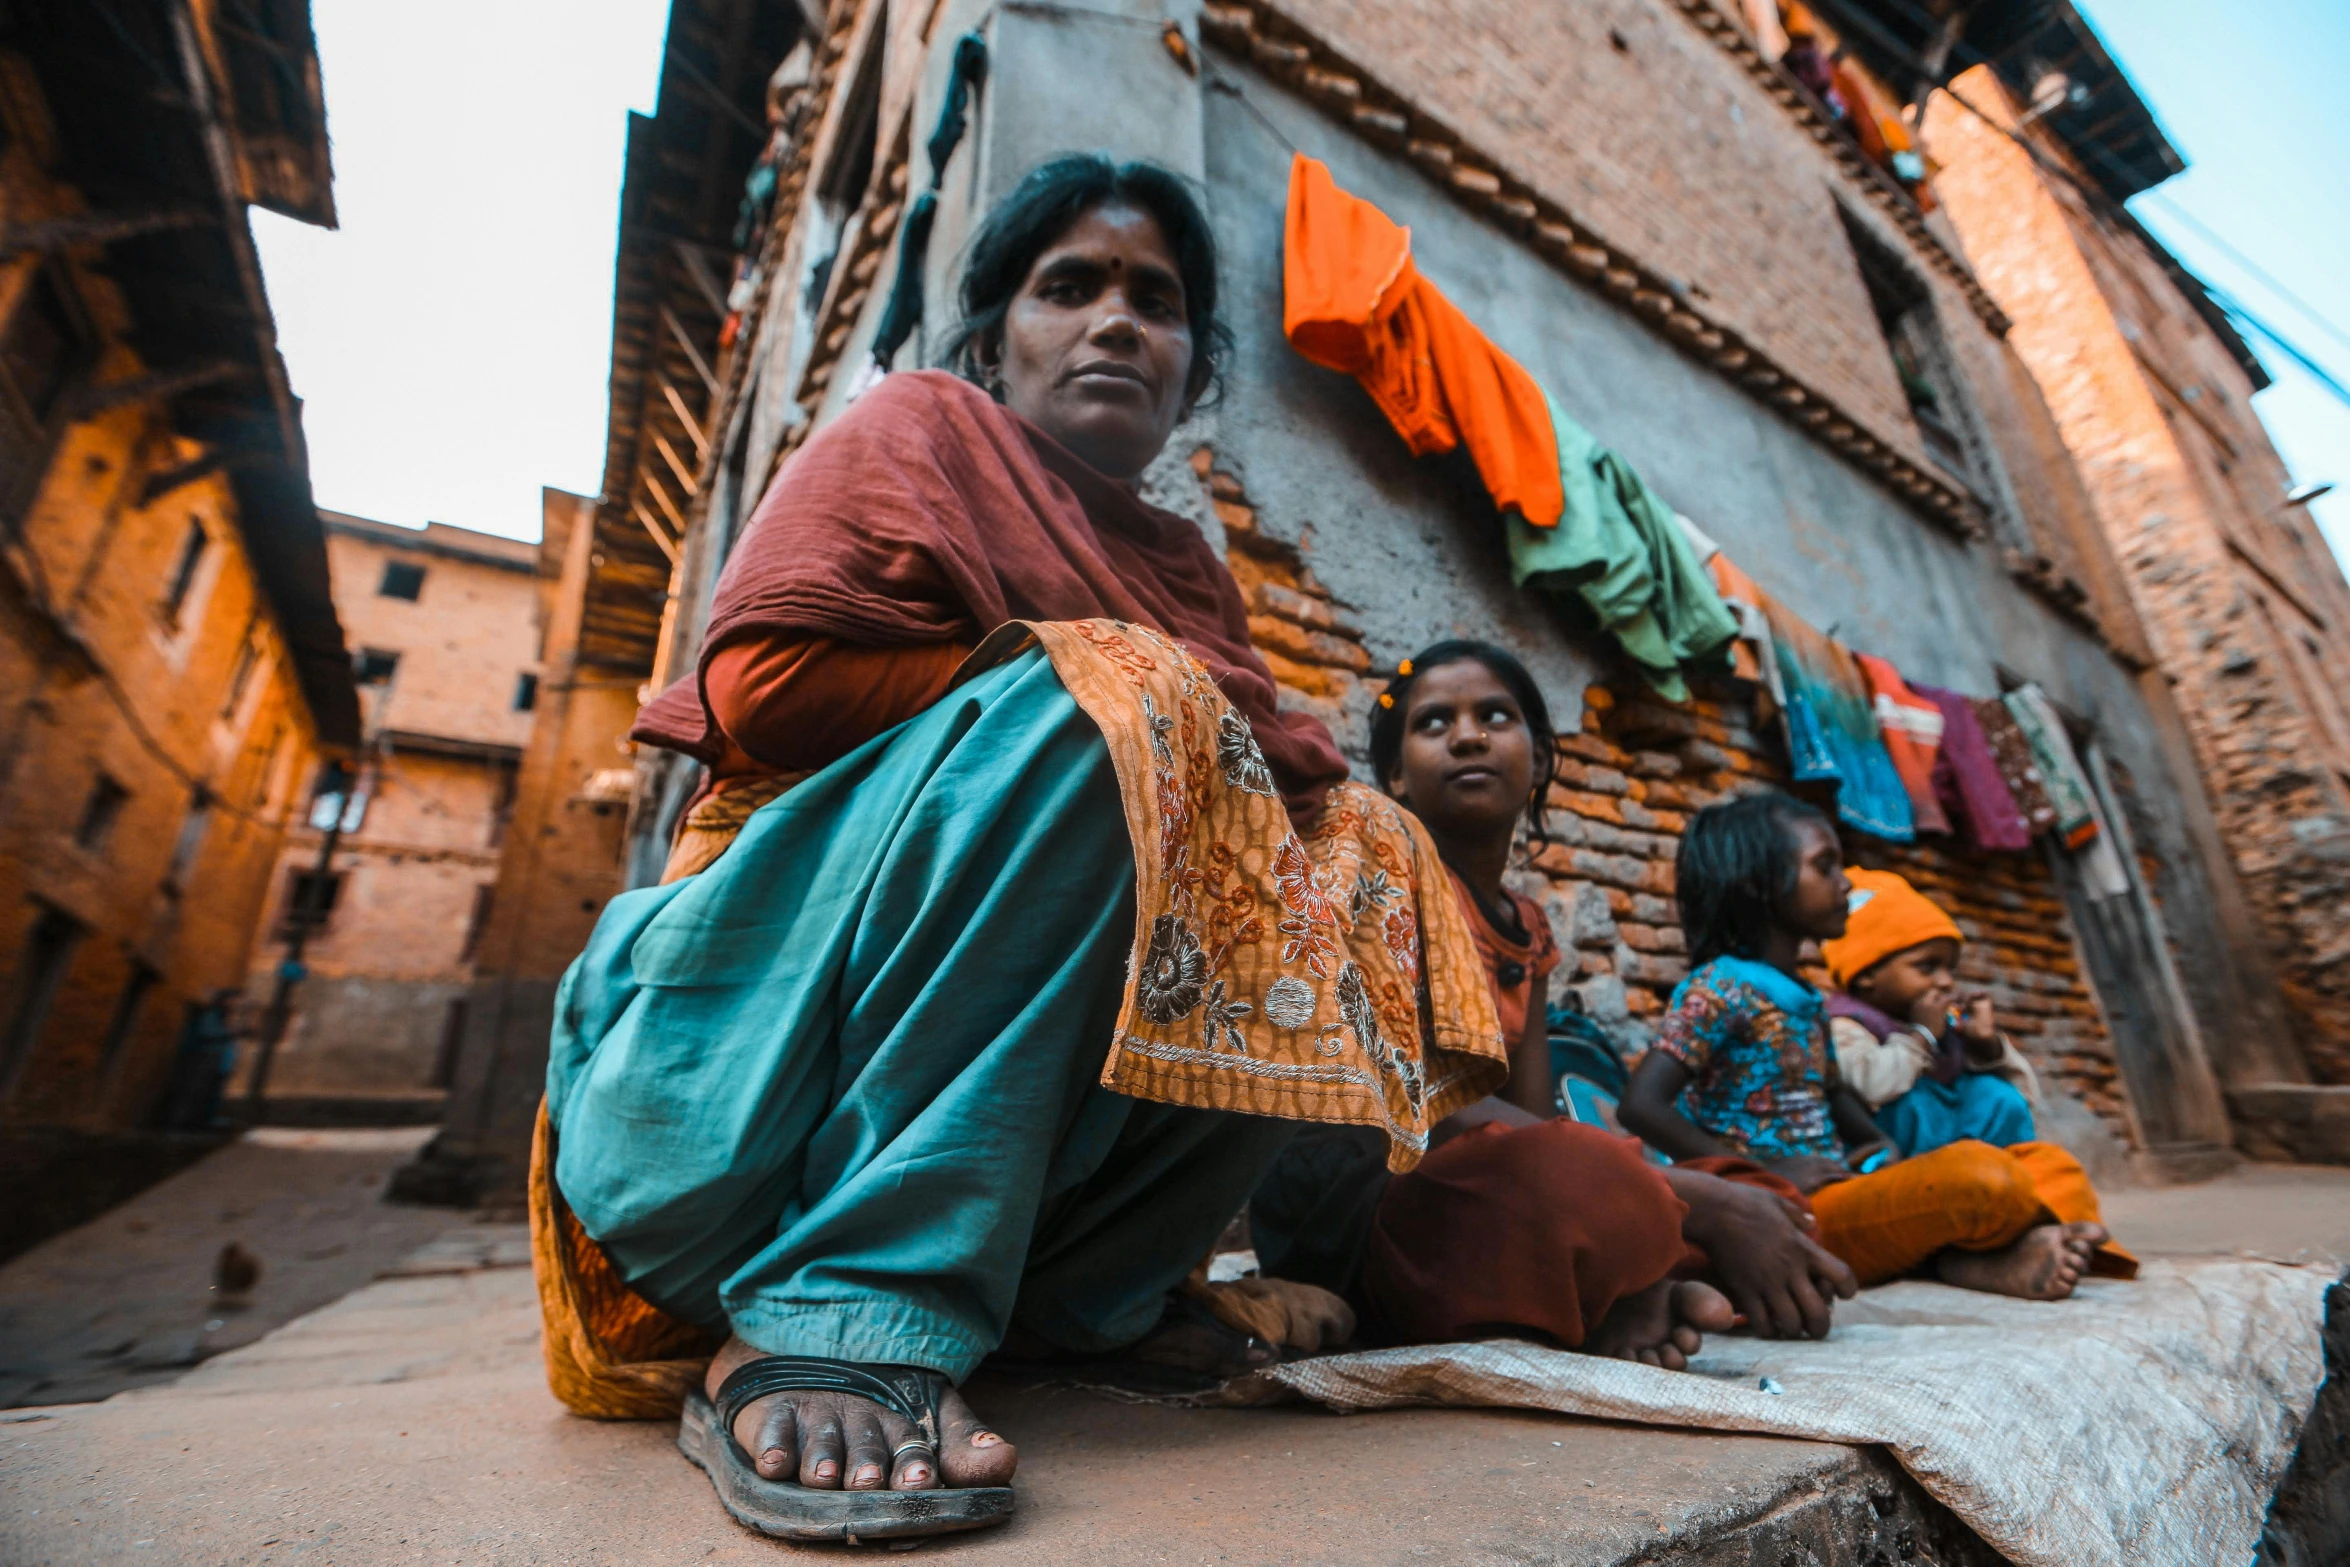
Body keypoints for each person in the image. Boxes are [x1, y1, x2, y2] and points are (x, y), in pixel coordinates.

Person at [537, 155, 1517, 1545]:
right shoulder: (921, 426)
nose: (1119, 320)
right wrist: (1113, 699)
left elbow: (1273, 781)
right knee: (1120, 701)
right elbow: (764, 683)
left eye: (1157, 302)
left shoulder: (1183, 570)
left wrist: (1194, 729)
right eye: (1071, 286)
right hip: (733, 1107)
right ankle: (832, 1308)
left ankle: (1090, 1294)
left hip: (1029, 1222)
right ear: (996, 340)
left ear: (1189, 368)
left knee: (1356, 841)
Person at [1253, 644, 1859, 1369]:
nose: (1468, 735)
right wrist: (1685, 1196)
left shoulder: (1528, 927)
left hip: (1489, 1186)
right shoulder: (1381, 879)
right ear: (1394, 775)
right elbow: (1415, 1109)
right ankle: (1627, 1288)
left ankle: (1621, 1286)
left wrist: (1703, 1195)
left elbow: (1534, 1119)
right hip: (1364, 1207)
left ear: (1540, 760)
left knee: (1765, 1201)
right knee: (1603, 1182)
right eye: (1434, 722)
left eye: (1495, 716)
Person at [1617, 790, 2135, 1302]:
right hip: (1781, 1213)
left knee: (2048, 1163)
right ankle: (1977, 1254)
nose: (1845, 883)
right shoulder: (1721, 987)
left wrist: (1875, 1142)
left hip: (1839, 1190)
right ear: (1763, 885)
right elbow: (1641, 1105)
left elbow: (1833, 1089)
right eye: (1826, 866)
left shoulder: (1807, 999)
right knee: (1979, 1176)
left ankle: (1986, 1252)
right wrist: (1759, 1172)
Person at [1822, 867, 2039, 1157]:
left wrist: (1987, 1045)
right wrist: (1921, 1036)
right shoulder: (1845, 1025)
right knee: (1913, 1101)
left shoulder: (1948, 1026)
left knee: (1995, 1094)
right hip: (1904, 1166)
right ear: (1866, 975)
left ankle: (2004, 1176)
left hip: (1970, 1155)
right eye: (1927, 967)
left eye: (1949, 969)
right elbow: (1873, 1087)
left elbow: (2025, 1098)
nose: (1946, 981)